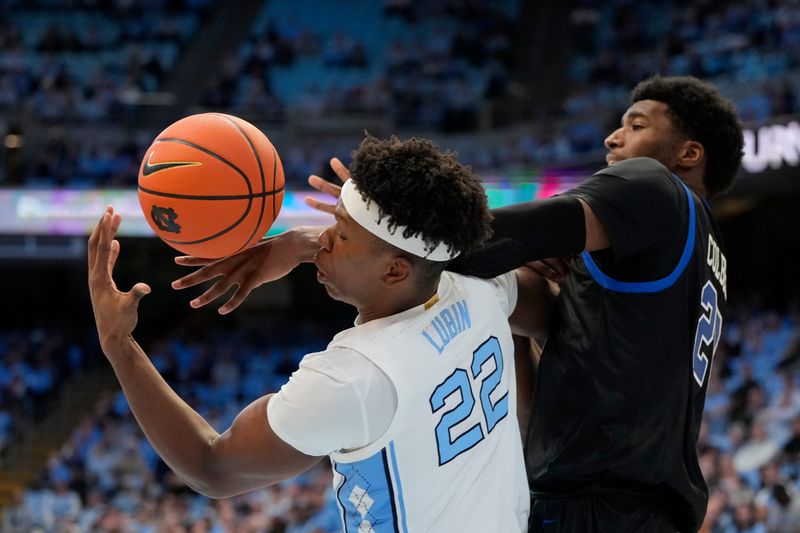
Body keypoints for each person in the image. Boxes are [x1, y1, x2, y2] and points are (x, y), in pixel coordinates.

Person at [175, 75, 743, 532]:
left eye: (637, 125)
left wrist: (370, 219)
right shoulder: (705, 252)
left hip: (601, 506)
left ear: (688, 153)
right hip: (642, 502)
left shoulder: (655, 188)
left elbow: (480, 236)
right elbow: (564, 359)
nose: (612, 140)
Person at [89, 135, 543, 532]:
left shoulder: (354, 380)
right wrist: (308, 244)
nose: (322, 239)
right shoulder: (488, 290)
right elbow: (537, 302)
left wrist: (119, 347)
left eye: (341, 235)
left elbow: (212, 467)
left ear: (394, 270)